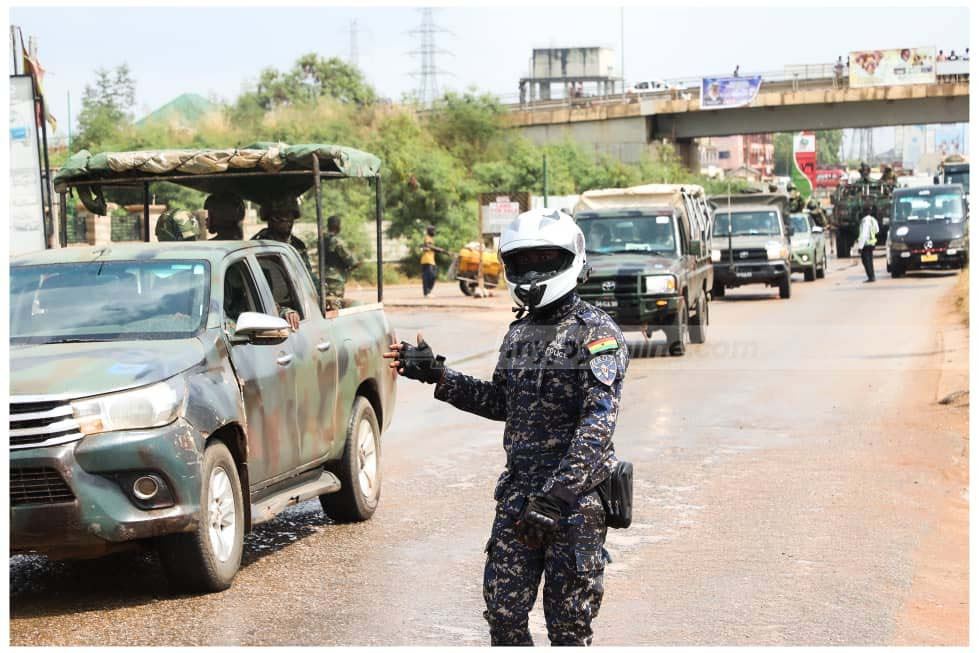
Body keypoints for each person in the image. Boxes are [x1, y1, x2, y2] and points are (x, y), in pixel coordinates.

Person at [384, 208, 627, 646]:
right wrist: (437, 375)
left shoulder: (595, 333)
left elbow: (597, 424)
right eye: (522, 262)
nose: (532, 272)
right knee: (503, 617)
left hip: (572, 504)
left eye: (544, 260)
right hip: (519, 497)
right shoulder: (519, 333)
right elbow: (501, 402)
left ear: (571, 259)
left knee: (568, 629)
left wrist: (556, 497)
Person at [252, 196, 310, 329]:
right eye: (279, 217)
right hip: (272, 318)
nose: (286, 222)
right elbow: (254, 292)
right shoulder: (258, 247)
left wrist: (326, 295)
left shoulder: (297, 245)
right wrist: (280, 310)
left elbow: (308, 277)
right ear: (269, 219)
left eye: (290, 217)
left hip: (302, 312)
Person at [321, 214, 360, 306]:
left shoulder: (322, 240)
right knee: (336, 304)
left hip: (324, 275)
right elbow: (350, 259)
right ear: (337, 226)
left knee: (326, 303)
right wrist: (355, 264)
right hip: (336, 278)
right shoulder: (337, 241)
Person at [420, 224, 446, 297]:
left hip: (431, 260)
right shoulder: (427, 238)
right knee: (427, 277)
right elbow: (429, 246)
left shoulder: (431, 239)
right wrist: (439, 249)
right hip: (426, 260)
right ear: (429, 231)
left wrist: (441, 251)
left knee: (433, 276)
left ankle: (429, 291)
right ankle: (426, 293)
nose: (434, 232)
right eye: (433, 231)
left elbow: (432, 248)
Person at [856, 207, 879, 282]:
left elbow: (863, 234)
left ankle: (871, 277)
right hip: (872, 243)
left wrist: (860, 247)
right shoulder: (873, 219)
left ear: (864, 212)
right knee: (870, 261)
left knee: (866, 261)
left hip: (866, 244)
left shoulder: (864, 221)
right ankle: (872, 276)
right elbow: (877, 230)